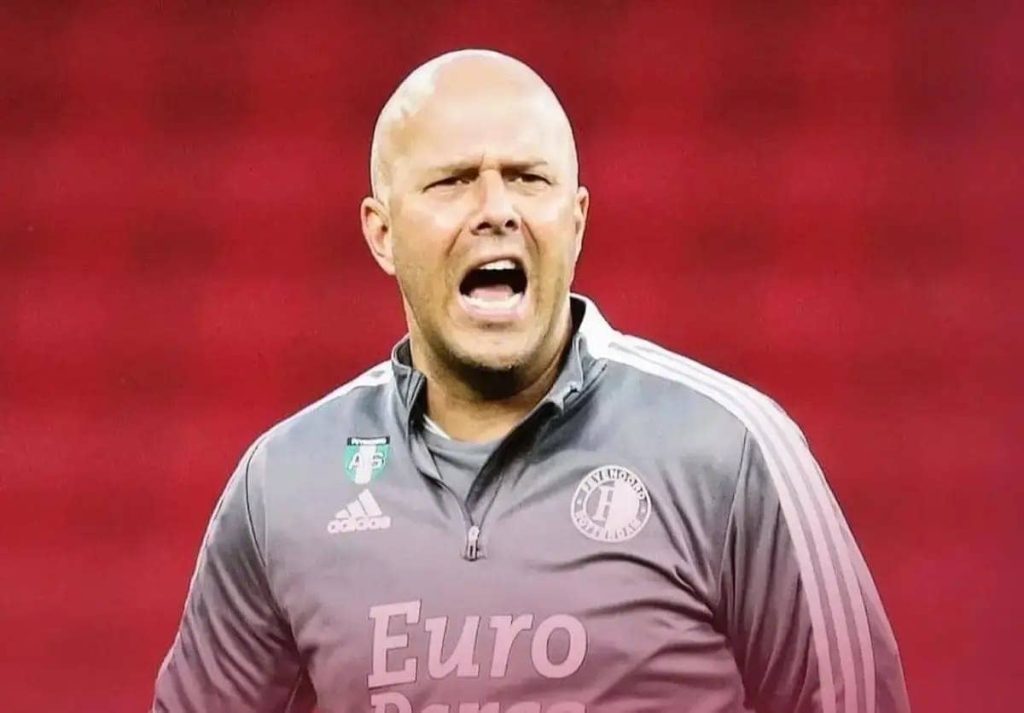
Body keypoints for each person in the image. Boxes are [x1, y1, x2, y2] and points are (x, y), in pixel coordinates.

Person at [151, 49, 911, 713]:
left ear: (576, 220)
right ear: (381, 233)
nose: (496, 210)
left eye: (527, 178)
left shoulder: (731, 449)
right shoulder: (286, 482)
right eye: (453, 181)